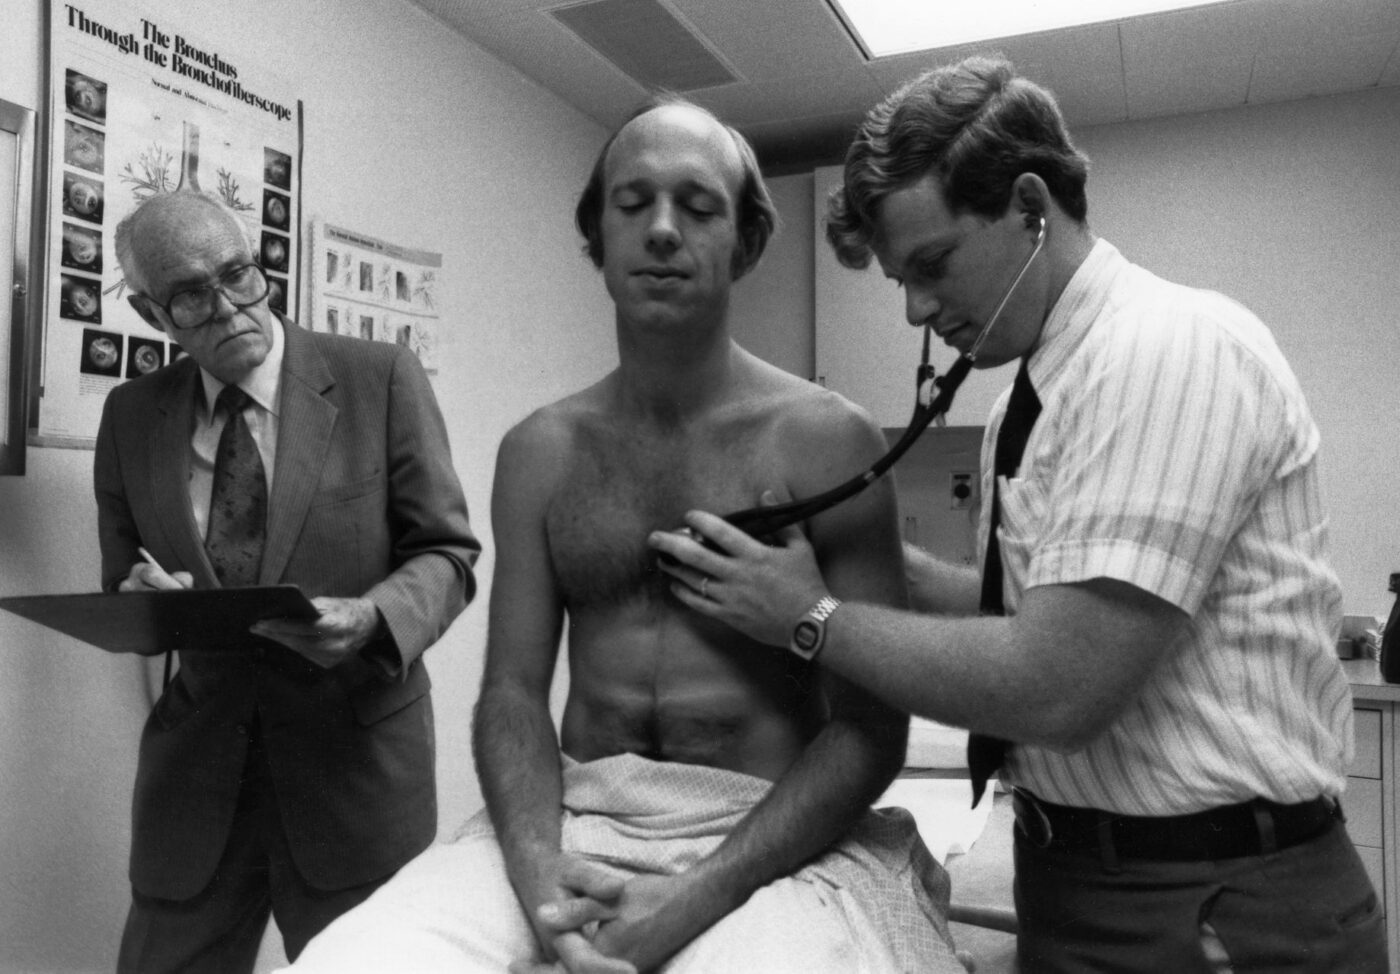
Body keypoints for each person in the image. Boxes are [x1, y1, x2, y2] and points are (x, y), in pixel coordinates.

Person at [649, 56, 1389, 973]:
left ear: (1031, 208)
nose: (920, 308)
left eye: (933, 265)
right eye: (899, 284)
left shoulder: (1167, 351)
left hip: (1214, 903)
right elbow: (1030, 616)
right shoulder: (1032, 395)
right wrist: (879, 568)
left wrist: (808, 618)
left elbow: (1059, 684)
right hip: (1081, 876)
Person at [285, 97, 965, 974]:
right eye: (633, 203)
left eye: (699, 205)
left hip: (761, 825)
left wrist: (690, 900)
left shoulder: (826, 440)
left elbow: (872, 728)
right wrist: (542, 890)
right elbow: (513, 696)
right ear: (597, 240)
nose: (663, 230)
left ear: (747, 242)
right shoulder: (540, 452)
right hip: (578, 814)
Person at [95, 190, 481, 973]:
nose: (230, 307)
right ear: (148, 311)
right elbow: (121, 583)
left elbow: (447, 553)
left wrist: (372, 618)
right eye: (191, 296)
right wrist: (143, 605)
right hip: (198, 781)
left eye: (239, 275)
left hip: (354, 775)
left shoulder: (378, 378)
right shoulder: (132, 415)